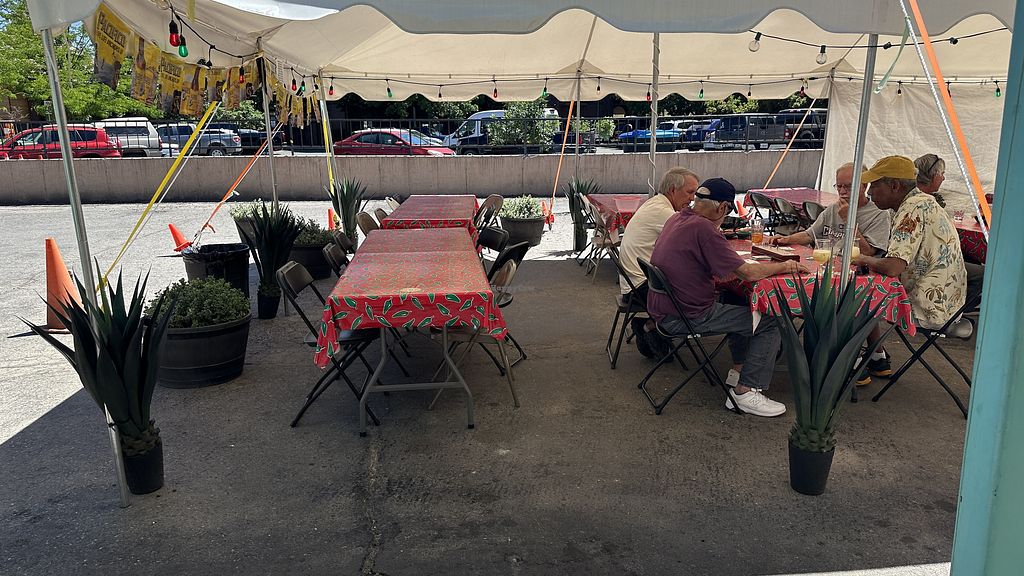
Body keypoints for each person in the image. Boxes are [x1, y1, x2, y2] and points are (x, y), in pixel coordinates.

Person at [648, 177, 810, 417]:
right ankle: (746, 391)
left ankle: (739, 370)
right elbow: (748, 273)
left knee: (740, 299)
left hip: (665, 309)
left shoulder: (677, 218)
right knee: (773, 320)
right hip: (687, 315)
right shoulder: (703, 229)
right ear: (723, 207)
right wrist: (786, 266)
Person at [854, 156, 969, 333]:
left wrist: (862, 259)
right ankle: (875, 349)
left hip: (927, 310)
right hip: (950, 307)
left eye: (875, 185)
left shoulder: (912, 210)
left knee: (855, 298)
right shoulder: (923, 201)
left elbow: (893, 267)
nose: (870, 193)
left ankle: (872, 350)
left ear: (895, 186)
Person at [618, 167, 700, 358]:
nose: (692, 199)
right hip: (641, 288)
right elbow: (697, 239)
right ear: (673, 190)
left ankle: (651, 327)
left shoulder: (655, 203)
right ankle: (652, 326)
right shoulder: (664, 212)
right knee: (701, 297)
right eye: (690, 192)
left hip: (633, 283)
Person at [769, 162, 891, 257]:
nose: (842, 191)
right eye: (839, 186)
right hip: (826, 264)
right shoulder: (834, 208)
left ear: (864, 186)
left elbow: (868, 252)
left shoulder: (879, 215)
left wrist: (848, 220)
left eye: (848, 187)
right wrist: (786, 239)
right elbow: (809, 235)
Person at [916, 153, 984, 311]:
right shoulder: (924, 203)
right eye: (942, 174)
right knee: (986, 274)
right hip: (933, 265)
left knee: (969, 259)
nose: (943, 178)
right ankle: (954, 310)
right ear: (934, 176)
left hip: (934, 259)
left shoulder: (922, 199)